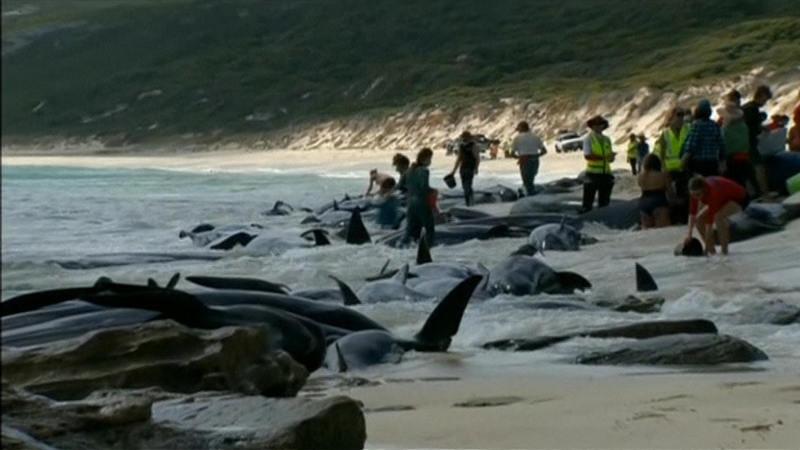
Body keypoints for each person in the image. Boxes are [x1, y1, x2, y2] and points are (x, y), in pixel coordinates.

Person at [684, 175, 748, 257]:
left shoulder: (713, 193)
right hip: (722, 198)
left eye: (698, 195)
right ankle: (712, 252)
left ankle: (724, 252)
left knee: (718, 218)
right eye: (693, 195)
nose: (696, 198)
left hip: (740, 199)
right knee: (698, 219)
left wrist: (706, 247)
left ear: (704, 190)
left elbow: (709, 227)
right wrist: (689, 235)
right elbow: (692, 214)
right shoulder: (695, 192)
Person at [657, 107, 692, 223]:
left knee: (686, 193)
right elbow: (662, 153)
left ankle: (685, 217)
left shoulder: (688, 129)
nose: (681, 117)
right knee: (672, 195)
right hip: (671, 169)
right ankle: (675, 218)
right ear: (671, 118)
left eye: (682, 114)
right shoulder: (666, 133)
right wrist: (664, 168)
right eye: (678, 115)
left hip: (685, 167)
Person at [741, 85, 775, 200]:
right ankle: (765, 193)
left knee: (751, 169)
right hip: (749, 143)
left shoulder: (747, 107)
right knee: (759, 167)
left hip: (744, 143)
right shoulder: (752, 108)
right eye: (765, 99)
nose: (765, 102)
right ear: (761, 96)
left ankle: (757, 193)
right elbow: (751, 127)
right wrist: (761, 129)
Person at [680, 99, 725, 177]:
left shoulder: (697, 125)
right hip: (712, 163)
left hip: (699, 164)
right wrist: (722, 162)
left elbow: (691, 146)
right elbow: (721, 145)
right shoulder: (715, 125)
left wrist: (683, 163)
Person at [581, 115, 616, 212]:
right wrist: (604, 158)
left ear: (603, 126)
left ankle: (602, 217)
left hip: (605, 173)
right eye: (595, 125)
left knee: (604, 201)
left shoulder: (607, 139)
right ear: (592, 126)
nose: (597, 127)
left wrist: (611, 158)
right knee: (588, 201)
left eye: (600, 124)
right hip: (592, 174)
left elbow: (609, 157)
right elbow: (587, 156)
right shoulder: (588, 139)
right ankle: (586, 216)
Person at [717, 90, 752, 189]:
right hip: (740, 155)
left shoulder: (725, 119)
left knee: (734, 183)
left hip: (733, 156)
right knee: (740, 182)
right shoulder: (741, 118)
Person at [405, 148, 436, 245]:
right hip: (421, 203)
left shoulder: (410, 170)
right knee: (429, 229)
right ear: (425, 159)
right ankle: (428, 248)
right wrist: (432, 191)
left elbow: (402, 185)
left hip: (410, 203)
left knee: (412, 232)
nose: (430, 161)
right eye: (430, 159)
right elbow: (424, 188)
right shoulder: (424, 171)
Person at [511, 121, 547, 196]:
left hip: (524, 160)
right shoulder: (535, 136)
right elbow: (544, 151)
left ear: (521, 128)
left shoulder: (517, 138)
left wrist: (518, 157)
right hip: (535, 160)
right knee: (531, 178)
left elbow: (512, 153)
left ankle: (529, 195)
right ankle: (531, 192)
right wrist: (536, 155)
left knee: (526, 180)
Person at [637, 154, 671, 229]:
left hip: (644, 201)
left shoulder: (641, 176)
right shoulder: (662, 175)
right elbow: (669, 190)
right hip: (659, 200)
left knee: (647, 229)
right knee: (663, 229)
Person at [448, 131, 480, 206]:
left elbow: (477, 158)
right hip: (463, 168)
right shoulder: (461, 146)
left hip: (470, 167)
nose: (464, 139)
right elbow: (459, 159)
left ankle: (469, 201)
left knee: (467, 185)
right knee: (465, 185)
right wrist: (454, 171)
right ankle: (469, 201)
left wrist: (476, 168)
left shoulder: (473, 146)